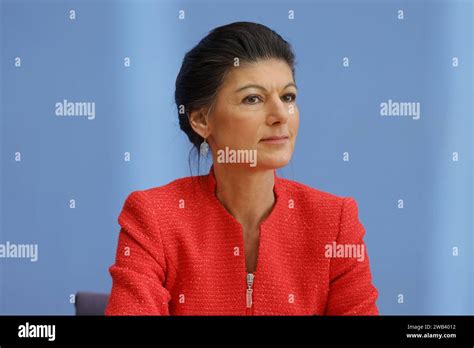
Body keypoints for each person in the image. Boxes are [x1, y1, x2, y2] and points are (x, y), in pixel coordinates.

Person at [105, 21, 378, 315]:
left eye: (287, 97)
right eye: (253, 99)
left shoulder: (334, 222)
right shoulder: (154, 217)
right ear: (201, 120)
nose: (279, 116)